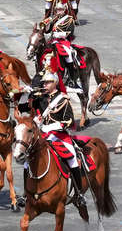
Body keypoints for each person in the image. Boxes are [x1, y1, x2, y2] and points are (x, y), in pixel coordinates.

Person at [33, 69, 86, 208]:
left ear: (55, 83)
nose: (44, 85)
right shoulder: (41, 98)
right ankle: (28, 192)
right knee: (28, 159)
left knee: (73, 158)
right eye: (44, 83)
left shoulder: (63, 99)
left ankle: (79, 193)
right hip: (44, 135)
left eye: (48, 83)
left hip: (59, 136)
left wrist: (52, 127)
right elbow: (32, 111)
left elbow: (69, 121)